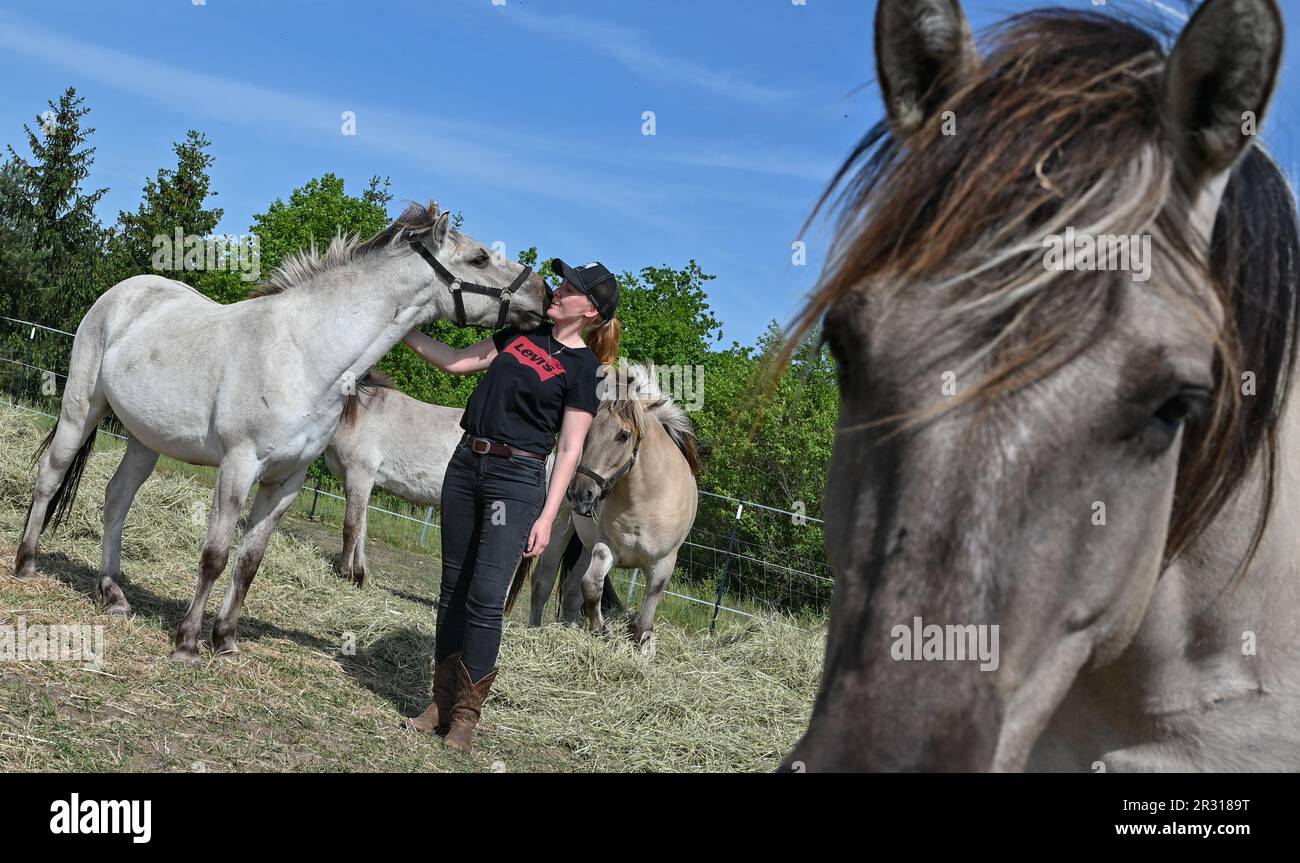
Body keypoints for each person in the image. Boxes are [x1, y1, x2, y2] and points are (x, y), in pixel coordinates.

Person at [401, 258, 620, 752]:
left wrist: (546, 516)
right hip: (466, 464)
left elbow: (569, 450)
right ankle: (438, 702)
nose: (558, 290)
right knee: (452, 588)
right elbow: (455, 361)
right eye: (561, 282)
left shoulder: (585, 369)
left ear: (590, 311)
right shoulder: (522, 333)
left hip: (517, 480)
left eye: (570, 288)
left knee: (485, 598)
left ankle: (465, 717)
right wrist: (399, 328)